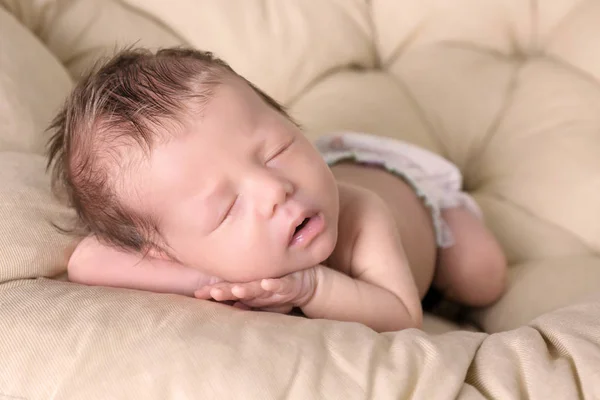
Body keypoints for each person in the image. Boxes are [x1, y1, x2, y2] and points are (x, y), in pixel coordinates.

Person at [46, 47, 507, 333]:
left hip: (405, 192)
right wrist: (209, 280)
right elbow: (86, 259)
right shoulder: (182, 245)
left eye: (277, 150)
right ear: (164, 250)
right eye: (227, 208)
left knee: (483, 276)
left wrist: (311, 288)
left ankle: (454, 215)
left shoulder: (365, 214)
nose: (274, 189)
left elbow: (402, 316)